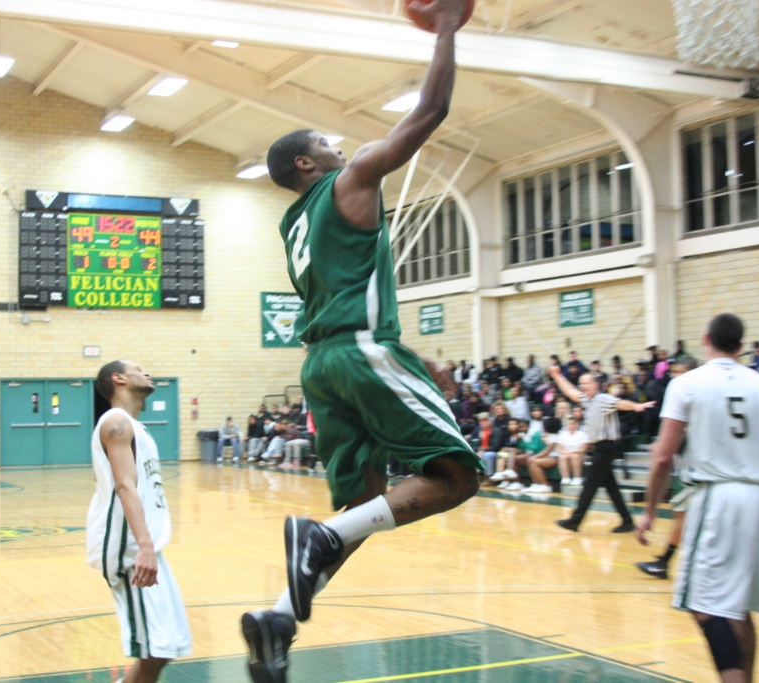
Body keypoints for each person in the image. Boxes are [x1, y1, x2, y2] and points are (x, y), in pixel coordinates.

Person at [242, 4, 485, 680]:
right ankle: (316, 539)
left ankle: (276, 619)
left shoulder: (294, 224)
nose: (341, 144)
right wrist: (446, 26)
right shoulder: (349, 183)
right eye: (328, 140)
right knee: (458, 475)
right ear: (305, 161)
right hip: (361, 350)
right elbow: (430, 110)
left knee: (361, 507)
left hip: (322, 365)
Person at [636, 314, 759, 683]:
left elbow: (663, 456)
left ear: (706, 338)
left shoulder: (688, 383)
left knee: (702, 605)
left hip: (718, 496)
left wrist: (649, 511)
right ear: (741, 345)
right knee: (740, 610)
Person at [89, 361, 192, 682]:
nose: (147, 372)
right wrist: (144, 546)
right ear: (118, 378)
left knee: (164, 647)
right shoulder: (115, 422)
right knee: (155, 649)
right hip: (131, 547)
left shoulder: (135, 427)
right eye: (138, 368)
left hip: (146, 546)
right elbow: (125, 485)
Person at [548, 364, 655, 533]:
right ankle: (627, 521)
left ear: (596, 385)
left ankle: (575, 521)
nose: (582, 386)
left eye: (586, 383)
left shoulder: (603, 399)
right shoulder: (586, 400)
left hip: (607, 447)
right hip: (599, 448)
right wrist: (557, 376)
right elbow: (570, 392)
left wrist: (636, 406)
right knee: (611, 487)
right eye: (581, 383)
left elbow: (620, 403)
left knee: (590, 484)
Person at [636, 355, 698, 579]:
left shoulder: (687, 395)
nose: (674, 377)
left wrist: (663, 446)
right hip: (697, 472)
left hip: (700, 474)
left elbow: (667, 454)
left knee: (684, 515)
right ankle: (666, 560)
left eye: (679, 372)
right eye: (672, 373)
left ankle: (665, 562)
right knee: (682, 514)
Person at [522, 417, 565, 493]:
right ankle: (536, 484)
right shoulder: (548, 435)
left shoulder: (555, 437)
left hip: (555, 458)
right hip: (549, 457)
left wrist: (535, 456)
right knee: (529, 460)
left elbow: (548, 450)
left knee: (533, 462)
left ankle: (545, 485)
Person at [555, 416, 589, 486]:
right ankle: (565, 478)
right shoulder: (562, 435)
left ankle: (577, 478)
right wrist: (567, 453)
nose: (571, 425)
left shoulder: (582, 434)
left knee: (574, 456)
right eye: (569, 424)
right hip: (566, 454)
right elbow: (559, 449)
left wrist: (572, 452)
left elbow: (583, 449)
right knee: (562, 457)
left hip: (579, 455)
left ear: (576, 425)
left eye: (573, 424)